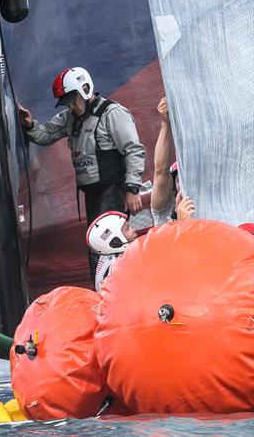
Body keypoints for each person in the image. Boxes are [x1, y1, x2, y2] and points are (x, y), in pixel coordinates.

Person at [16, 67, 146, 278]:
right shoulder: (71, 117)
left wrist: (132, 189)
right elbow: (46, 134)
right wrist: (28, 124)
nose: (71, 106)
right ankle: (103, 291)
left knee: (107, 244)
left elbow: (134, 149)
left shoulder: (112, 113)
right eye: (66, 102)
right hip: (93, 193)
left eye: (72, 100)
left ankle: (116, 289)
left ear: (85, 89)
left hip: (113, 189)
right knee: (98, 245)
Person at [151, 97, 196, 225]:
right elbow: (161, 171)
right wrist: (165, 124)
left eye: (184, 179)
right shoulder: (164, 210)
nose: (182, 184)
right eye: (178, 180)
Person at [86, 211, 138, 292]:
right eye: (128, 229)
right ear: (115, 242)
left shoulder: (110, 259)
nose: (134, 229)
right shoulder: (117, 269)